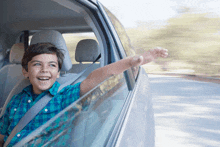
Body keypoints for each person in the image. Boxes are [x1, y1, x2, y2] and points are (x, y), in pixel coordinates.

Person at [0, 42, 168, 147]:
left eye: (52, 65)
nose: (45, 70)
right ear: (25, 71)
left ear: (58, 72)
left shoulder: (65, 96)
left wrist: (131, 62)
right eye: (37, 64)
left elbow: (95, 78)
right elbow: (2, 134)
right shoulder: (16, 99)